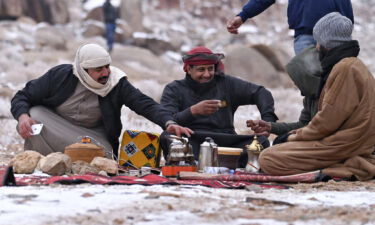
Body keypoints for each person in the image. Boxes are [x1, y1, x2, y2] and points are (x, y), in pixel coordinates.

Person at [11, 43, 192, 159]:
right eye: (98, 69)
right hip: (57, 125)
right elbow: (22, 96)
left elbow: (145, 104)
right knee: (34, 113)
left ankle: (58, 158)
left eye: (107, 67)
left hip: (92, 136)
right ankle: (48, 159)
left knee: (104, 157)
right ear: (83, 70)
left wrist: (168, 122)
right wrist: (22, 117)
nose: (105, 73)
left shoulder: (116, 83)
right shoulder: (61, 75)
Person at [257, 12, 375, 181]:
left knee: (268, 158)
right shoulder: (350, 66)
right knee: (277, 150)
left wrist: (292, 137)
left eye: (318, 41)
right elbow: (317, 123)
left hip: (345, 145)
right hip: (342, 142)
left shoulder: (345, 68)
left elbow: (327, 122)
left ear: (326, 43)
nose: (317, 46)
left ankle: (349, 167)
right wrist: (277, 130)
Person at [160, 46, 278, 167]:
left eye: (210, 69)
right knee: (168, 137)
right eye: (201, 70)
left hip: (226, 140)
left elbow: (262, 93)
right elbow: (167, 120)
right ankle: (221, 163)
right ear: (188, 69)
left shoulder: (227, 83)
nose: (206, 74)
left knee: (261, 142)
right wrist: (193, 111)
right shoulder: (174, 89)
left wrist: (268, 123)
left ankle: (207, 162)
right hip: (193, 139)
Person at [247, 45, 321, 144]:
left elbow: (319, 130)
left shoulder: (326, 95)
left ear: (307, 78)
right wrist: (270, 126)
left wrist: (291, 137)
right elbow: (303, 124)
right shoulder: (310, 97)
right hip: (312, 139)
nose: (295, 84)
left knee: (270, 153)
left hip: (324, 143)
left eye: (297, 80)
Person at [226, 0, 354, 54]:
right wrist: (243, 15)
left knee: (339, 83)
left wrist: (347, 29)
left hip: (335, 36)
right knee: (310, 86)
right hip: (305, 35)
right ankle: (313, 111)